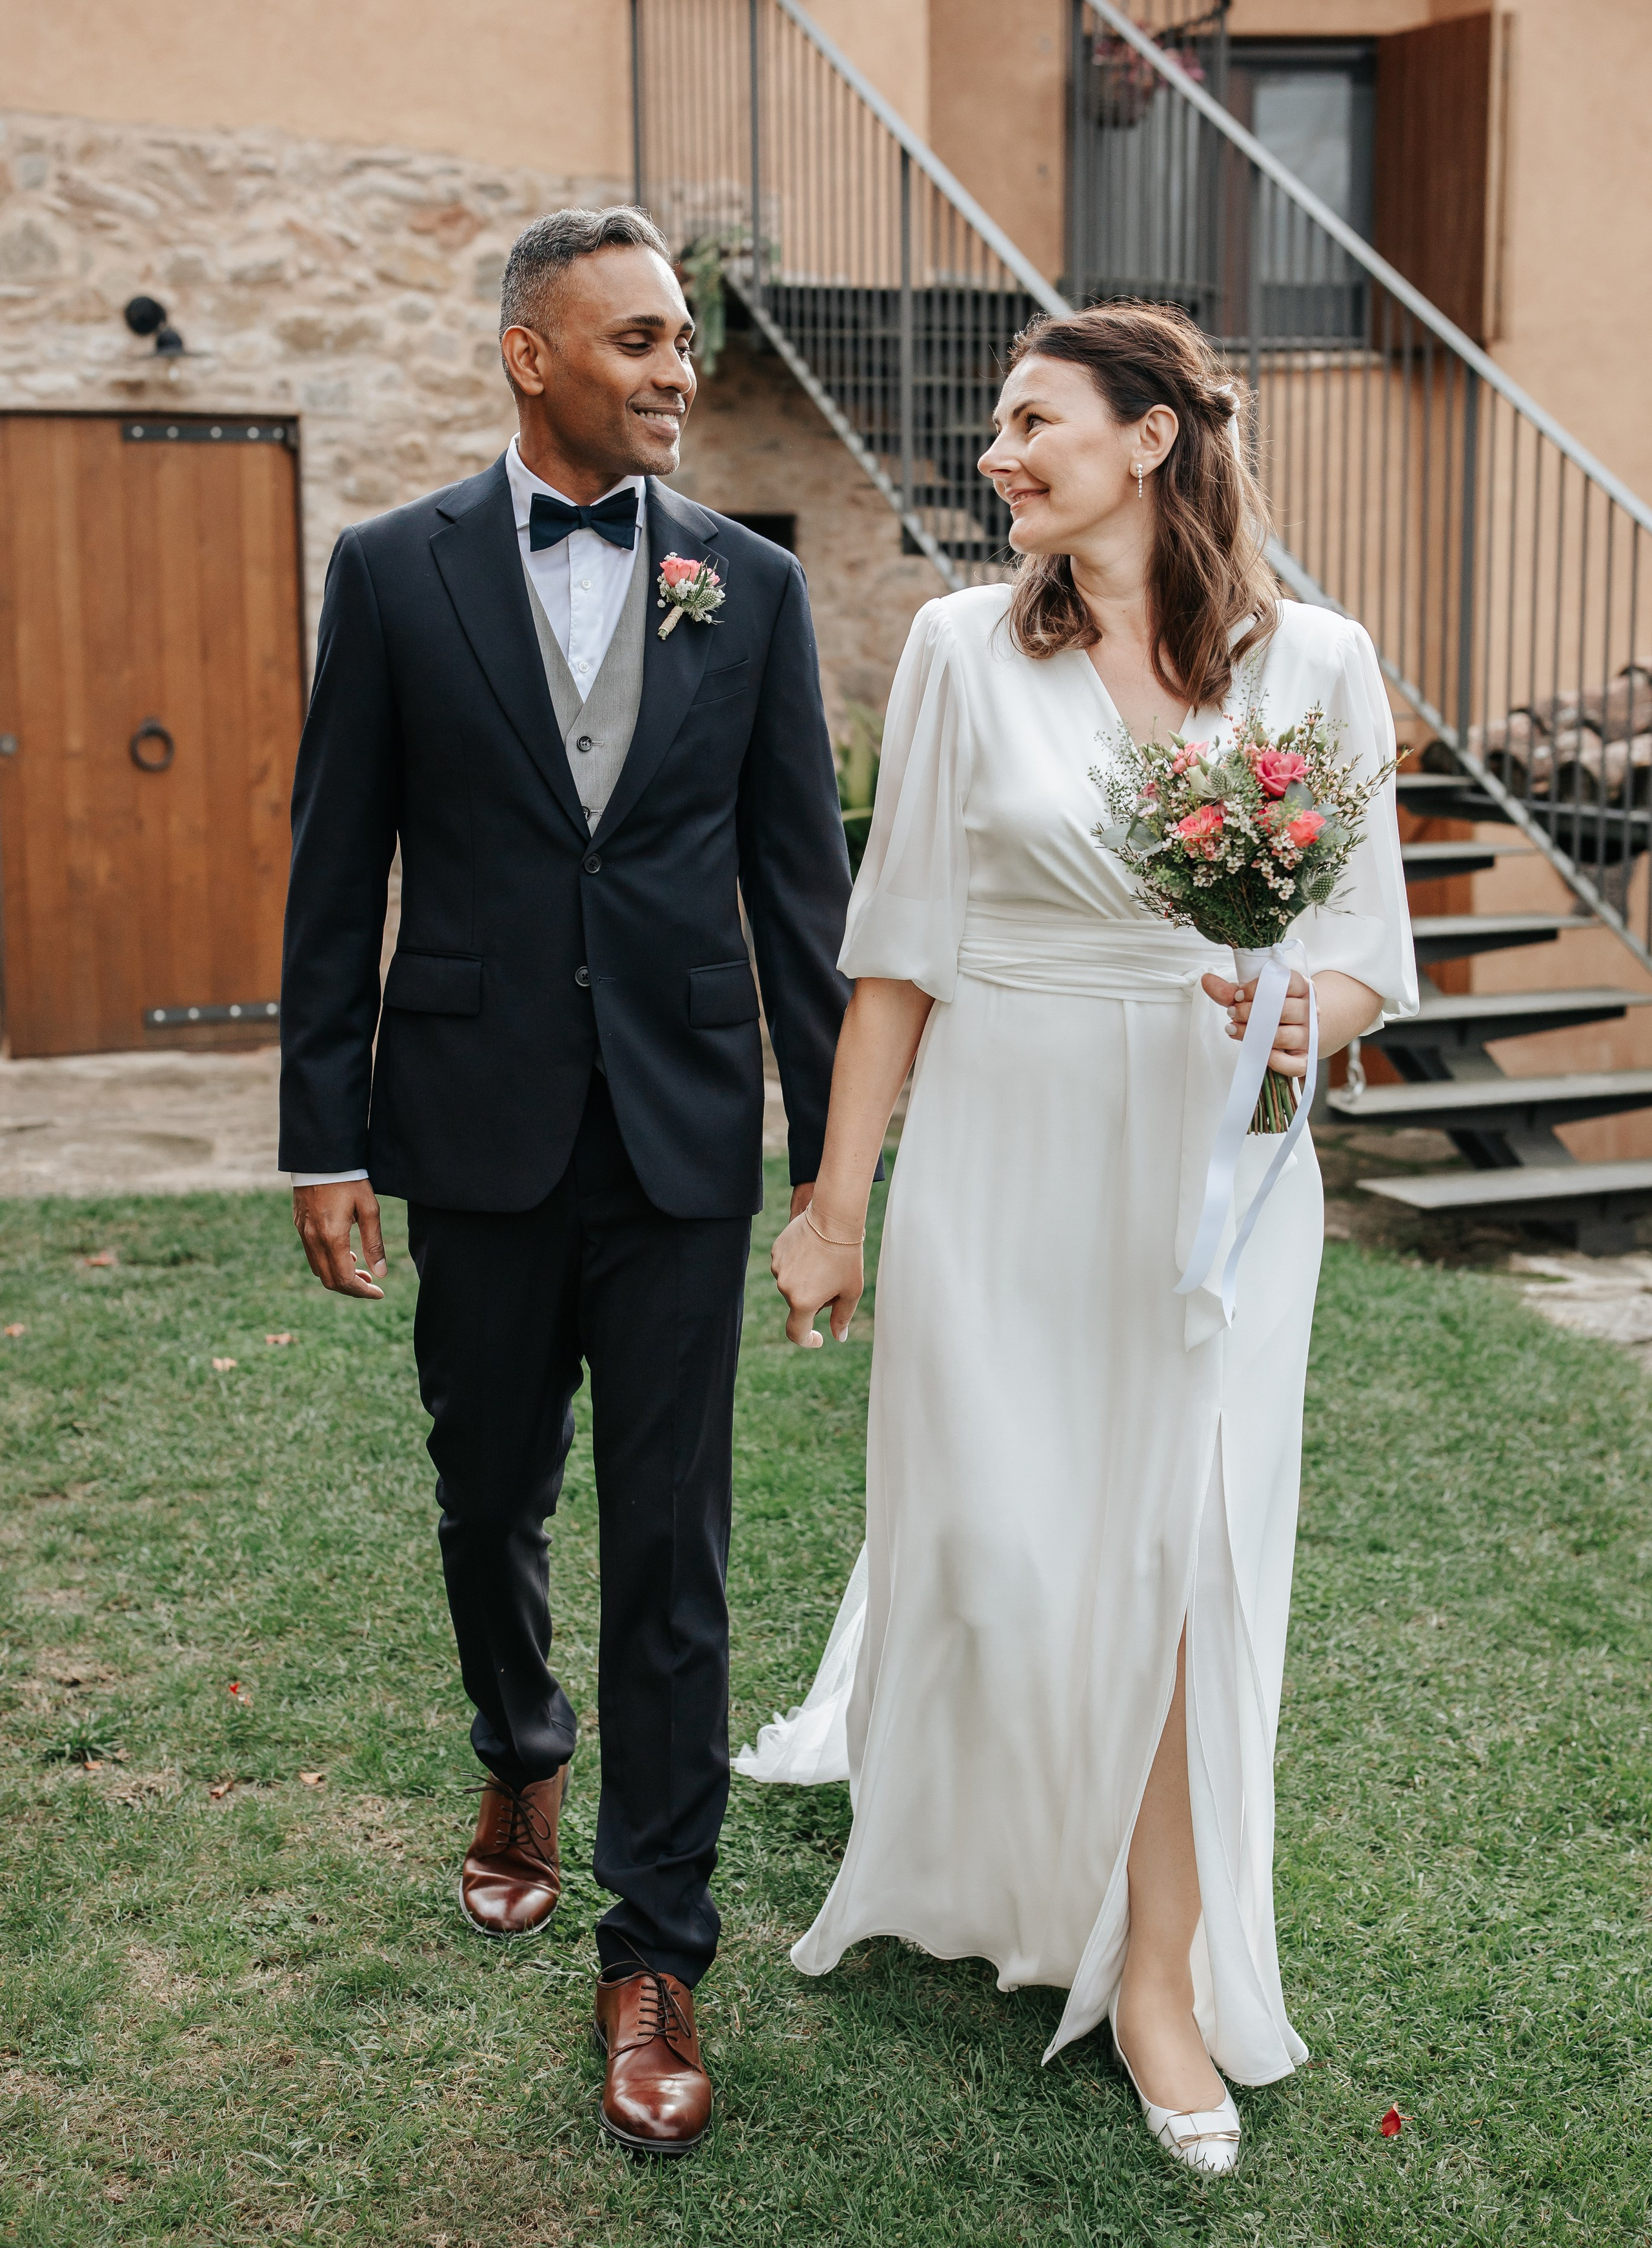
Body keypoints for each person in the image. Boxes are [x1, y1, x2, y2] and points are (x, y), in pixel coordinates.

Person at [756, 301, 1416, 2175]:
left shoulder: (1324, 667)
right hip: (1005, 1131)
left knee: (1178, 1550)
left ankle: (1158, 1970)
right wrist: (833, 1202)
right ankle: (997, 1847)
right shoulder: (966, 647)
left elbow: (1367, 941)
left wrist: (1318, 1013)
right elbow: (895, 955)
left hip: (1211, 1160)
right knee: (992, 1534)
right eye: (992, 427)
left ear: (1149, 439)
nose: (998, 454)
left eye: (1033, 422)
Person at [278, 206, 853, 2158]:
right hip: (478, 1123)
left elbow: (801, 891)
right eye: (636, 339)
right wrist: (321, 1128)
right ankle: (520, 1752)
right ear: (531, 356)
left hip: (686, 1136)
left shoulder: (751, 588)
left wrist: (832, 1168)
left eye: (684, 333)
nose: (678, 366)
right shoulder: (391, 571)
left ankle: (655, 1945)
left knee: (671, 1547)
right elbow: (332, 857)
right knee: (489, 1486)